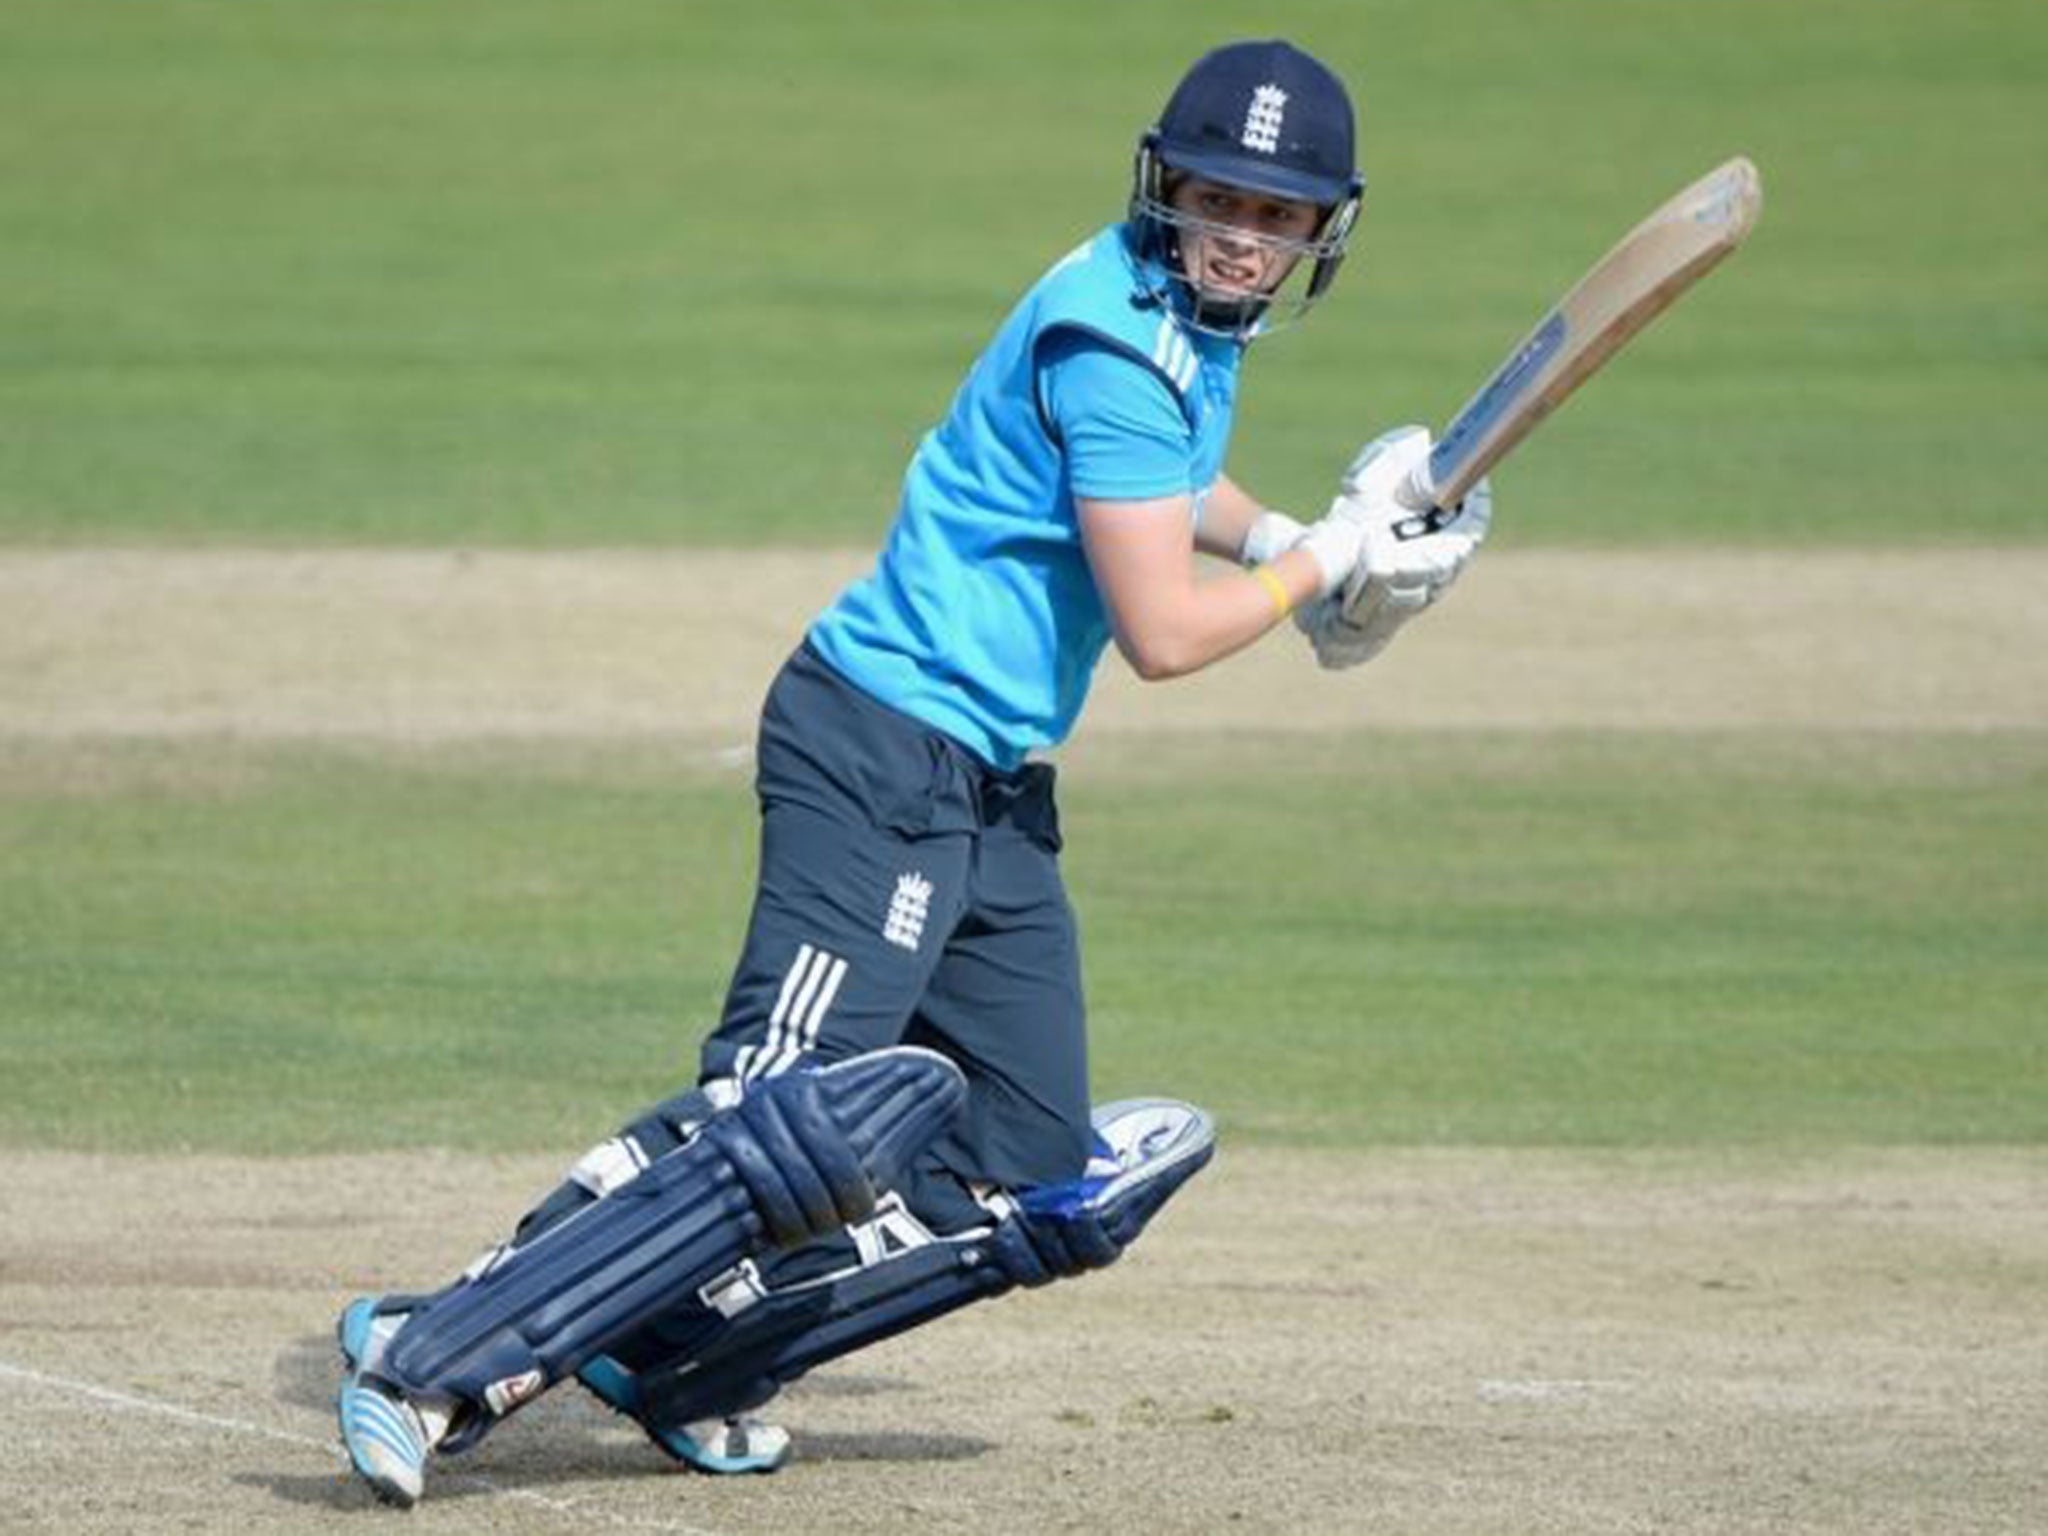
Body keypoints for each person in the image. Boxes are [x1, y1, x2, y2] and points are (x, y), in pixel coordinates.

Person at [335, 37, 1491, 1508]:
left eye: (1275, 216)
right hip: (877, 744)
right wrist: (1334, 555)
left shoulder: (1179, 332)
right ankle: (433, 1356)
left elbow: (1152, 491)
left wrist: (1281, 546)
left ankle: (684, 1355)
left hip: (992, 787)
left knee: (1038, 1172)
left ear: (1324, 227)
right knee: (785, 1111)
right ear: (1165, 188)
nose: (1242, 239)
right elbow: (1161, 636)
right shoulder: (1115, 339)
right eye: (1218, 201)